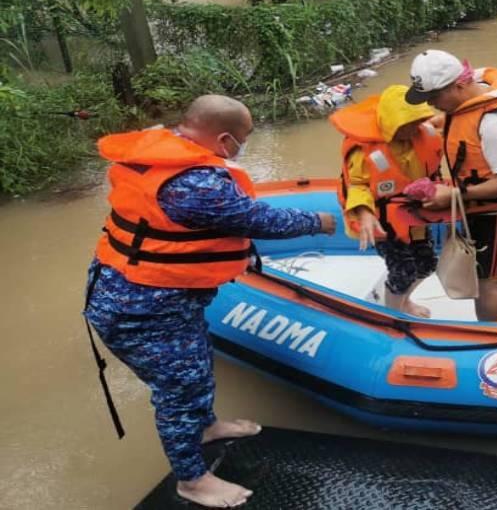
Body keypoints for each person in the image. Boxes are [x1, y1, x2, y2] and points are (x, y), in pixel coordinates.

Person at [84, 95, 336, 508]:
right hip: (141, 308)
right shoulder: (195, 184)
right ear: (223, 139)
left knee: (196, 366)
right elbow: (257, 220)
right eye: (243, 138)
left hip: (154, 296)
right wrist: (317, 221)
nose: (243, 145)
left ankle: (206, 427)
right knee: (178, 391)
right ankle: (192, 480)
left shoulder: (162, 148)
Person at [406, 50, 497, 323]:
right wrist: (442, 123)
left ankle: (493, 339)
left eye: (435, 98)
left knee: (486, 283)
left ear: (458, 85)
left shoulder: (495, 124)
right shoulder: (476, 84)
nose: (432, 104)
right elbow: (465, 114)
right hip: (485, 207)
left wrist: (455, 195)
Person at [330, 84, 443, 317]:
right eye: (407, 125)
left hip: (415, 218)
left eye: (417, 123)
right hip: (383, 222)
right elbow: (357, 185)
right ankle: (394, 315)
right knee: (403, 270)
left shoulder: (424, 133)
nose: (414, 130)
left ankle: (405, 301)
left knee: (428, 264)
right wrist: (364, 213)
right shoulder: (364, 151)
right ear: (392, 123)